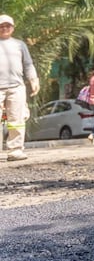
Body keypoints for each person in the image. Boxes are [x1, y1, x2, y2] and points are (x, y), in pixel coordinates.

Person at [0, 15, 40, 161]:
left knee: (16, 119)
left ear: (12, 28)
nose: (4, 28)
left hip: (16, 87)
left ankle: (15, 150)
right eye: (1, 26)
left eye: (7, 26)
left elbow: (28, 64)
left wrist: (33, 79)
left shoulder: (19, 44)